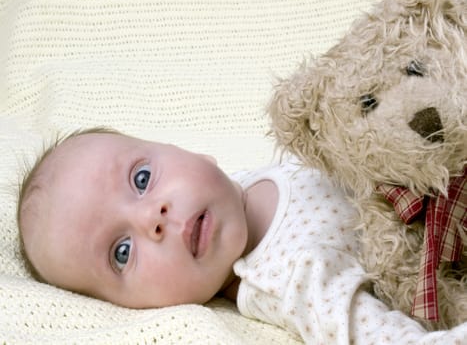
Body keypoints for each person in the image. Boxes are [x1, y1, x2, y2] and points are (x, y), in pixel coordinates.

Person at [17, 127, 467, 344]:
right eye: (121, 252)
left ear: (189, 151)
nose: (152, 218)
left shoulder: (245, 181)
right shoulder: (286, 279)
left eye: (142, 179)